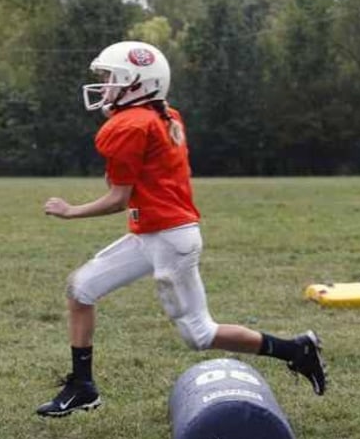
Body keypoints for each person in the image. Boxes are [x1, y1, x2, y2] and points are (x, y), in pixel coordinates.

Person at [36, 41, 327, 417]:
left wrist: (70, 211)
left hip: (171, 239)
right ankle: (82, 386)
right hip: (151, 233)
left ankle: (295, 350)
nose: (104, 86)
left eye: (111, 78)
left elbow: (118, 198)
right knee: (81, 289)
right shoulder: (162, 114)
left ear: (136, 83)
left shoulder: (129, 126)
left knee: (200, 335)